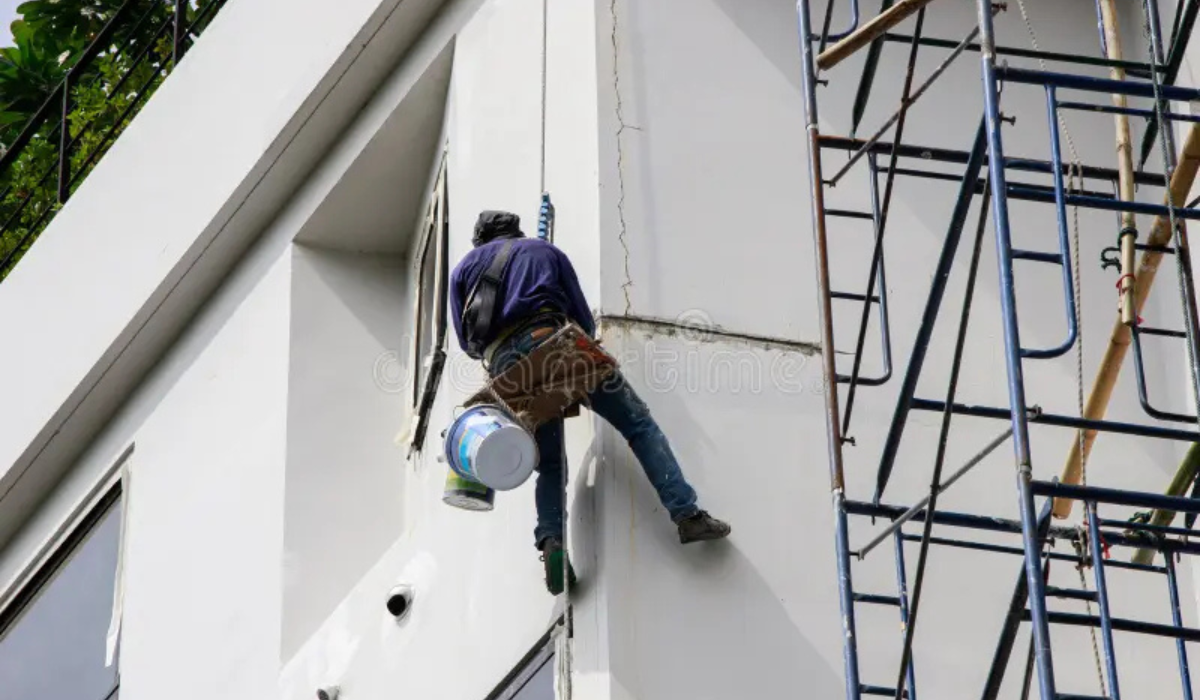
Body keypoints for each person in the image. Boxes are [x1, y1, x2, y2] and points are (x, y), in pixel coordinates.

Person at [450, 210, 732, 594]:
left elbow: (469, 345)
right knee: (637, 424)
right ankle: (687, 514)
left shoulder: (464, 269)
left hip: (506, 370)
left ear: (480, 240)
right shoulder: (543, 251)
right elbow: (582, 316)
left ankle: (551, 540)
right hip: (553, 341)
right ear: (516, 230)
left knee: (549, 463)